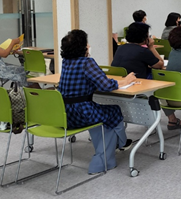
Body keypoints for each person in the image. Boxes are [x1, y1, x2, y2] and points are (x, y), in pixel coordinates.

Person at [58, 29, 137, 174]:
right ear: (82, 47)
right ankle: (114, 150)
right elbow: (106, 85)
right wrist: (125, 81)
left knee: (105, 114)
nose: (89, 46)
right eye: (86, 44)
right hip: (82, 113)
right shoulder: (87, 62)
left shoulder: (66, 62)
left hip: (64, 113)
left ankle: (120, 144)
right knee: (114, 111)